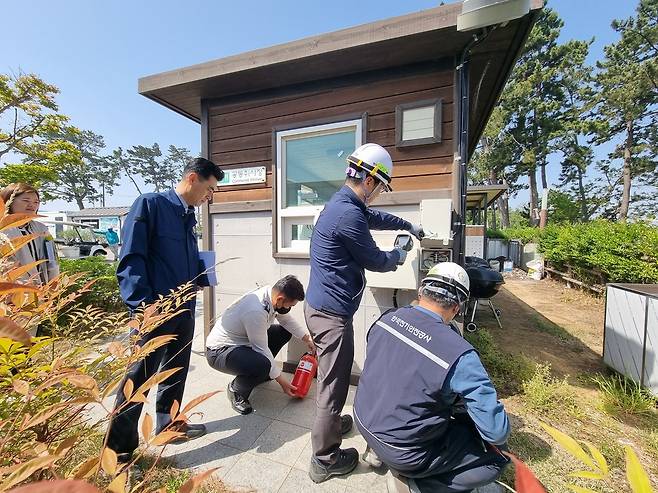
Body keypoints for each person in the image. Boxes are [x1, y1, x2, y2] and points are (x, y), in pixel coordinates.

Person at [305, 143, 425, 483]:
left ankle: (329, 423)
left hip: (322, 307)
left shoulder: (345, 203)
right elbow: (375, 259)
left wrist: (407, 225)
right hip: (331, 315)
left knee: (332, 378)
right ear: (369, 181)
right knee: (334, 383)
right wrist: (399, 254)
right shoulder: (348, 214)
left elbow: (376, 218)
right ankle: (324, 458)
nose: (377, 197)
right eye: (380, 188)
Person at [105, 157, 224, 464]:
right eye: (209, 189)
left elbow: (176, 259)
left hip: (184, 309)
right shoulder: (150, 205)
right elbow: (131, 259)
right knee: (138, 380)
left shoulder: (188, 216)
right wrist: (143, 307)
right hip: (153, 312)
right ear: (194, 178)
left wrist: (200, 272)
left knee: (176, 371)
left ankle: (168, 423)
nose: (210, 197)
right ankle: (118, 451)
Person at [353, 262, 511, 493]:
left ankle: (376, 453)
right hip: (404, 451)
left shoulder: (386, 319)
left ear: (421, 292)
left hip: (363, 420)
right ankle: (420, 486)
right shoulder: (461, 355)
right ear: (457, 308)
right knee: (497, 458)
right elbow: (496, 432)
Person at [206, 275, 316, 414]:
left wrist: (307, 339)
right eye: (290, 305)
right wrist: (282, 382)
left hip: (242, 342)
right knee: (263, 364)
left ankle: (261, 374)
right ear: (281, 299)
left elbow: (286, 321)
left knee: (283, 332)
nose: (290, 308)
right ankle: (236, 391)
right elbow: (261, 349)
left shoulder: (270, 295)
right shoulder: (255, 310)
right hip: (220, 351)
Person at [0, 182, 59, 286]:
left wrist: (53, 284)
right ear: (8, 201)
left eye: (36, 202)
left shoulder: (42, 229)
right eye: (26, 200)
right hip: (13, 292)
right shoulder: (3, 231)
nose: (32, 205)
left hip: (42, 291)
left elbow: (52, 260)